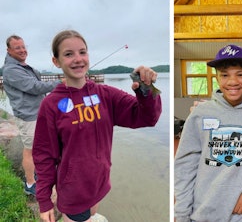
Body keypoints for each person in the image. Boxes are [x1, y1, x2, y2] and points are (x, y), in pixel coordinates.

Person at [32, 30, 162, 222]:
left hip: (99, 182)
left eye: (82, 52)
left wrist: (146, 90)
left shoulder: (105, 94)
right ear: (56, 62)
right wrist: (44, 200)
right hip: (73, 191)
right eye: (68, 54)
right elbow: (44, 155)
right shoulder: (51, 104)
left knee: (92, 214)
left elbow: (146, 118)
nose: (78, 59)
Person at [174, 44, 242, 222]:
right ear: (216, 77)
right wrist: (181, 213)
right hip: (202, 213)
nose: (232, 81)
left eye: (240, 74)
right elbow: (185, 164)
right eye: (224, 75)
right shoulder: (200, 113)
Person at [1, 35, 61, 196]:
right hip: (28, 116)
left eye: (23, 46)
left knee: (38, 148)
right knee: (30, 150)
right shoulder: (11, 70)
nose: (22, 50)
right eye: (17, 48)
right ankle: (29, 184)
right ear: (9, 51)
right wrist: (61, 83)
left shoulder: (21, 66)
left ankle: (35, 175)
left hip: (36, 113)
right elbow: (34, 87)